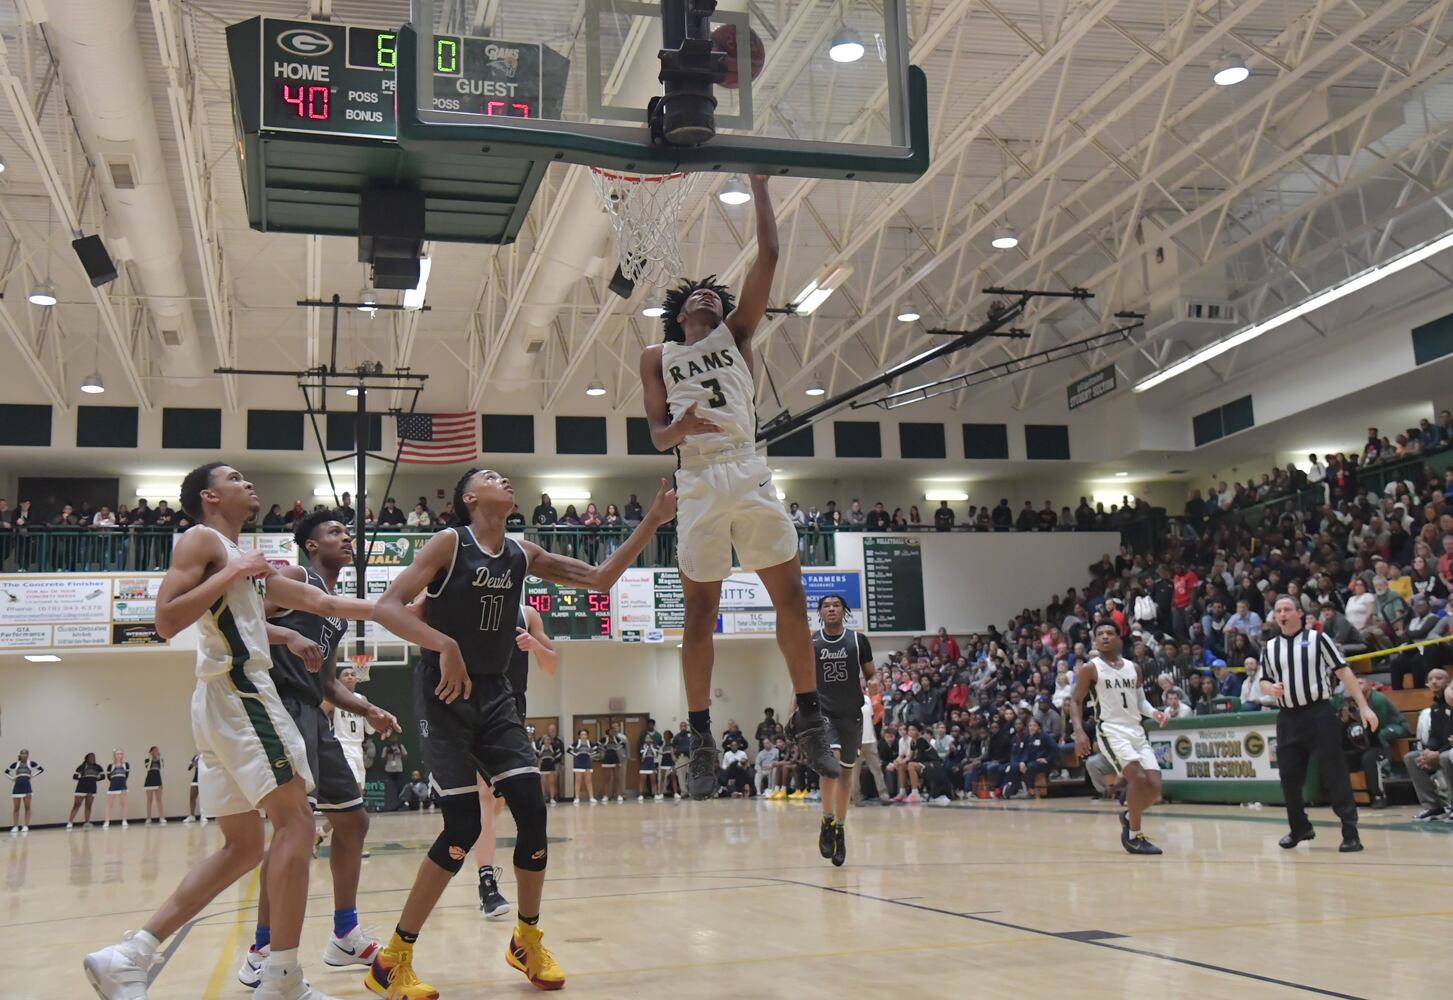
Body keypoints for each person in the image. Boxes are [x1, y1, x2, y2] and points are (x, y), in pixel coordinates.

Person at [360, 468, 675, 997]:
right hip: (443, 693)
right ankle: (393, 959)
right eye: (489, 477)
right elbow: (385, 608)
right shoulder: (448, 543)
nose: (503, 479)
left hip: (495, 693)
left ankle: (526, 938)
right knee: (461, 827)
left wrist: (652, 522)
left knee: (532, 809)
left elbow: (599, 579)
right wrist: (446, 645)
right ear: (468, 498)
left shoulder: (521, 552)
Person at [84, 462, 378, 1000]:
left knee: (242, 847)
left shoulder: (227, 552)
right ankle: (282, 976)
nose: (248, 484)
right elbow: (166, 620)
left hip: (219, 698)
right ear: (209, 496)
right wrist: (234, 570)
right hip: (242, 692)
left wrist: (284, 638)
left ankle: (130, 955)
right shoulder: (203, 539)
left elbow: (247, 615)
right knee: (297, 824)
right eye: (235, 478)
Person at [638, 174, 839, 799]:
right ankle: (699, 737)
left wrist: (758, 184)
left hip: (747, 466)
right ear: (680, 313)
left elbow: (770, 255)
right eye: (695, 293)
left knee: (794, 600)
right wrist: (681, 424)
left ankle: (808, 715)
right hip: (696, 476)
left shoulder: (737, 336)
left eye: (714, 294)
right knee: (700, 616)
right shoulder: (656, 357)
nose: (706, 294)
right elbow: (656, 438)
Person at [237, 509, 403, 989]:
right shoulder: (294, 578)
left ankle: (344, 933)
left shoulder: (332, 607)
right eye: (334, 531)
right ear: (311, 546)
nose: (345, 537)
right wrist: (287, 633)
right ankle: (263, 948)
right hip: (280, 708)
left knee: (353, 819)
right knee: (294, 831)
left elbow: (328, 683)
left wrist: (367, 707)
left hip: (313, 712)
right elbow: (243, 625)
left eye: (347, 531)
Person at [1259, 595, 1378, 853]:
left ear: (1299, 614)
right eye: (1278, 610)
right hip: (1288, 718)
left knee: (1334, 774)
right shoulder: (1269, 647)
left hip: (1319, 714)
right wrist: (1271, 689)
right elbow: (1264, 680)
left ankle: (1350, 832)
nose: (1282, 614)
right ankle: (1299, 827)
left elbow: (1343, 670)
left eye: (1287, 609)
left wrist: (1364, 706)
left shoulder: (1318, 639)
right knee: (1289, 778)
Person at [476, 603, 556, 921]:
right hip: (478, 702)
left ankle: (487, 868)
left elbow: (551, 666)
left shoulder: (528, 614)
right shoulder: (475, 601)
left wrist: (535, 645)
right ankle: (486, 884)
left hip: (513, 707)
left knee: (496, 802)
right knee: (484, 795)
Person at [1068, 623, 1170, 855]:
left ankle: (1128, 815)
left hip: (1136, 730)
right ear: (1095, 641)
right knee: (1138, 777)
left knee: (1155, 787)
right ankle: (1134, 836)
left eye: (1109, 633)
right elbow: (1075, 700)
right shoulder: (1090, 669)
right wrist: (1079, 731)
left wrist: (1155, 713)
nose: (1104, 637)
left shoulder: (1134, 668)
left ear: (1119, 638)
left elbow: (1140, 701)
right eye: (1100, 634)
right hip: (1111, 730)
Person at [809, 594, 875, 866]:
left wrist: (876, 683)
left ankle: (840, 827)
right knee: (830, 765)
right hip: (824, 714)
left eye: (836, 605)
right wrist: (795, 704)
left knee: (847, 772)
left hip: (851, 714)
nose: (832, 609)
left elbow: (871, 673)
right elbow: (802, 677)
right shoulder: (812, 642)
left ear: (844, 611)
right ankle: (826, 819)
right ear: (820, 612)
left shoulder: (858, 640)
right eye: (826, 606)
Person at [1407, 670, 1453, 820]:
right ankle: (1433, 807)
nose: (1434, 682)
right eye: (1430, 679)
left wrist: (1438, 753)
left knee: (1445, 757)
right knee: (1412, 758)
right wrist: (1428, 751)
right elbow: (1435, 735)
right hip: (1441, 750)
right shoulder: (1435, 708)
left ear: (1448, 682)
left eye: (1439, 678)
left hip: (1447, 752)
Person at [6, 749, 42, 834]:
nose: (24, 755)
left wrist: (32, 776)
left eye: (26, 754)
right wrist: (12, 778)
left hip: (27, 787)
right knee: (16, 808)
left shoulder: (31, 763)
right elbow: (6, 772)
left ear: (28, 755)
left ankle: (25, 825)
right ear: (20, 755)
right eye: (22, 754)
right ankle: (15, 826)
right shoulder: (15, 764)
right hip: (17, 787)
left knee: (27, 807)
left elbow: (41, 769)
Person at [598, 722, 629, 803]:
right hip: (608, 759)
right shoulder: (605, 738)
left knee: (620, 777)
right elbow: (600, 747)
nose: (614, 729)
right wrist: (602, 756)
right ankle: (609, 795)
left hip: (620, 759)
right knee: (608, 778)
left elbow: (626, 748)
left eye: (616, 727)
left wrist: (626, 757)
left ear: (619, 727)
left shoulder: (623, 737)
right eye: (613, 727)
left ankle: (621, 794)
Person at [537, 724, 564, 804]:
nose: (547, 741)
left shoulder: (555, 745)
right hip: (543, 766)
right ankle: (543, 798)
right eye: (546, 739)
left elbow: (560, 753)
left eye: (548, 740)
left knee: (552, 782)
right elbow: (537, 754)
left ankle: (552, 798)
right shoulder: (540, 747)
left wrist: (556, 761)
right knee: (543, 783)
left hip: (552, 765)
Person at [570, 730, 598, 805]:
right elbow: (569, 750)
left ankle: (591, 797)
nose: (584, 736)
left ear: (587, 735)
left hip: (587, 762)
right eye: (582, 734)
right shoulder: (576, 742)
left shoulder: (589, 742)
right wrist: (577, 755)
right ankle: (577, 797)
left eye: (585, 734)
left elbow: (596, 750)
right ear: (579, 736)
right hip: (579, 762)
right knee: (578, 781)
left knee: (589, 781)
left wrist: (590, 755)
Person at [103, 749, 129, 829]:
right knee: (109, 804)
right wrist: (114, 781)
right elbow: (109, 777)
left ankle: (124, 820)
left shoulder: (126, 765)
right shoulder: (110, 766)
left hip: (122, 785)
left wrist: (121, 781)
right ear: (114, 755)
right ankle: (107, 821)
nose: (119, 755)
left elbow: (126, 775)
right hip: (113, 785)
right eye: (117, 754)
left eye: (121, 754)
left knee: (123, 804)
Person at [142, 747, 166, 825]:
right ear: (151, 752)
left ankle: (161, 817)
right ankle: (148, 818)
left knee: (159, 800)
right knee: (149, 800)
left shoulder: (160, 760)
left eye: (157, 750)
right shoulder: (147, 760)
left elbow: (162, 768)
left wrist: (160, 757)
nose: (156, 752)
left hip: (158, 780)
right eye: (155, 750)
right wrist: (150, 758)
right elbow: (148, 768)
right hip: (149, 781)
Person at [638, 733, 662, 800]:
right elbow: (643, 755)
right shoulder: (642, 746)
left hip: (651, 764)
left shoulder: (654, 746)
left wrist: (651, 747)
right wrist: (647, 747)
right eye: (646, 738)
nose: (648, 739)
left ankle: (655, 794)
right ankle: (640, 794)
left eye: (649, 738)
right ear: (644, 740)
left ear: (651, 739)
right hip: (644, 765)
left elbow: (655, 755)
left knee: (653, 781)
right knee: (642, 781)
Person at [183, 753, 206, 824]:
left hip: (204, 779)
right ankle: (192, 816)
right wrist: (193, 764)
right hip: (195, 779)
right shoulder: (196, 756)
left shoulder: (206, 755)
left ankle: (203, 815)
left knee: (203, 799)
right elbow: (189, 768)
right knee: (192, 798)